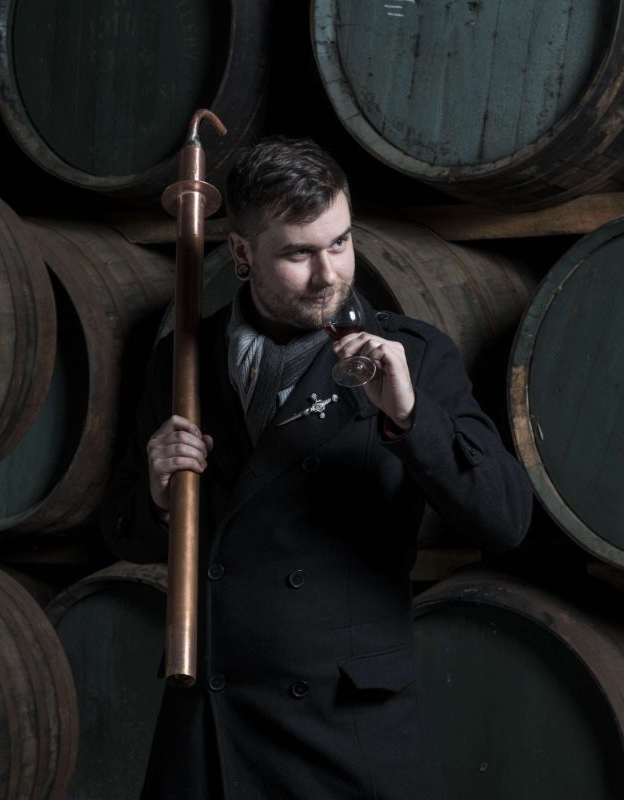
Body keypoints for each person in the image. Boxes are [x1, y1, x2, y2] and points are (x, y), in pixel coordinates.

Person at [100, 137, 534, 800]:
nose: (329, 273)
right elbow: (127, 535)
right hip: (213, 722)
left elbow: (506, 518)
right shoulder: (182, 362)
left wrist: (413, 417)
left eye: (340, 242)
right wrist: (161, 496)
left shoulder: (413, 354)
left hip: (346, 728)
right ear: (241, 255)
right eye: (300, 253)